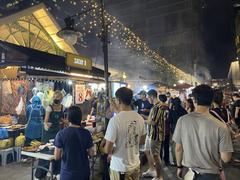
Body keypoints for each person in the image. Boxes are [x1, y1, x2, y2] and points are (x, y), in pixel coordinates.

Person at [173, 85, 233, 180]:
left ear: (194, 100)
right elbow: (226, 158)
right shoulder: (221, 126)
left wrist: (179, 167)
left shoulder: (182, 120)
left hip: (188, 172)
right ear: (211, 101)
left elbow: (178, 148)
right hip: (211, 175)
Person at [104, 87, 146, 180]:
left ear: (118, 100)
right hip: (135, 164)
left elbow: (107, 149)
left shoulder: (115, 121)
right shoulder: (139, 118)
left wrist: (116, 148)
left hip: (120, 167)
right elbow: (142, 141)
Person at [54, 106, 94, 180]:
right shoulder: (86, 133)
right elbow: (92, 153)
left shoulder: (61, 134)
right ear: (80, 118)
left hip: (67, 172)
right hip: (83, 172)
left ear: (68, 118)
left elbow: (57, 157)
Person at [143, 90, 168, 180]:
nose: (147, 99)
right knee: (146, 151)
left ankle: (159, 176)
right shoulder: (156, 107)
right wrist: (144, 117)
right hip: (150, 133)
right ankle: (152, 169)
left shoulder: (157, 107)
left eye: (148, 97)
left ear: (152, 97)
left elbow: (153, 122)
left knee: (156, 155)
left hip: (156, 134)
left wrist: (143, 120)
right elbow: (151, 119)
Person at [159, 95, 170, 166]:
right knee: (166, 146)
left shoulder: (160, 108)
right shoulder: (168, 107)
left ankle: (159, 161)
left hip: (161, 129)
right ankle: (166, 161)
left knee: (160, 147)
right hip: (167, 129)